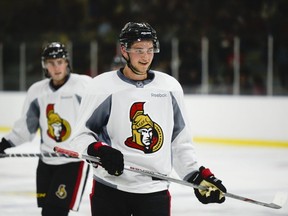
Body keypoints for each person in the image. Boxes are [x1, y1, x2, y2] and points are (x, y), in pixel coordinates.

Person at [68, 22, 227, 216]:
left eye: (150, 49)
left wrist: (196, 175)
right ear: (124, 50)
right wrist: (98, 150)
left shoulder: (169, 87)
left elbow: (179, 142)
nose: (146, 56)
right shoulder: (102, 87)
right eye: (139, 50)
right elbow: (81, 136)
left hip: (154, 193)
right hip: (110, 189)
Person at [0, 42, 91, 216]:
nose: (56, 67)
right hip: (46, 161)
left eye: (60, 61)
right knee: (47, 211)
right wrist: (5, 143)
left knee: (54, 212)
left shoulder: (83, 85)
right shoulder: (37, 91)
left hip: (72, 162)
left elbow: (99, 116)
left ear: (67, 63)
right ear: (45, 66)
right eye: (51, 62)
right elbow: (27, 127)